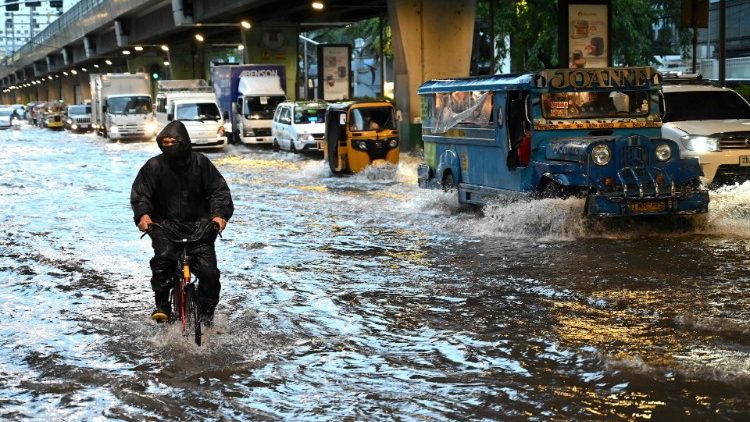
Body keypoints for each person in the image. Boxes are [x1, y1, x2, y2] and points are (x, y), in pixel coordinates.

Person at [131, 120, 234, 323]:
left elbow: (218, 192)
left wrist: (219, 215)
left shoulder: (201, 163)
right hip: (164, 226)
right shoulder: (153, 166)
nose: (169, 147)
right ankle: (162, 305)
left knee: (210, 274)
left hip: (200, 227)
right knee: (163, 259)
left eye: (173, 142)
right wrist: (143, 216)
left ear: (184, 142)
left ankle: (206, 314)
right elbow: (141, 195)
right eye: (165, 143)